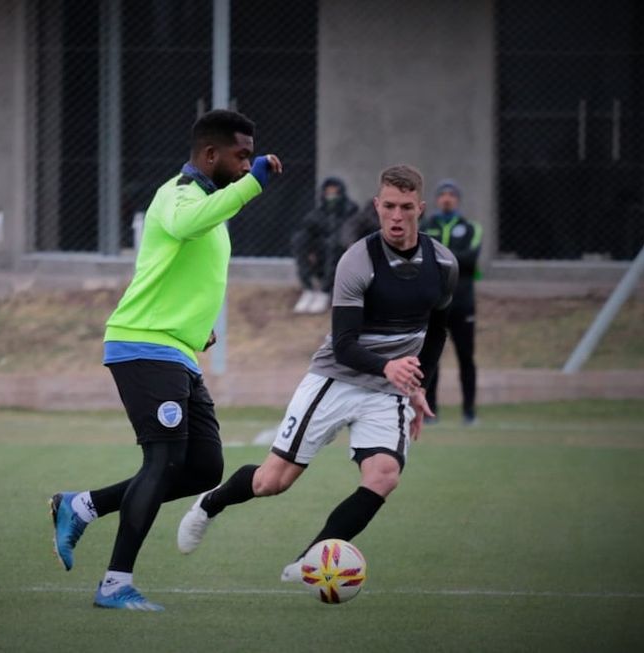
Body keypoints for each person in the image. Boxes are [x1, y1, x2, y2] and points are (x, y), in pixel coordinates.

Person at [48, 109, 282, 611]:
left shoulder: (210, 202)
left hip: (175, 348)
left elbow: (184, 270)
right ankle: (114, 584)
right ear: (210, 155)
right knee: (163, 459)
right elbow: (185, 223)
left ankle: (81, 505)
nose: (247, 165)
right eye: (240, 156)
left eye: (250, 157)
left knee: (202, 467)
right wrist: (252, 185)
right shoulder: (179, 192)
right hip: (142, 343)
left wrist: (199, 327)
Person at [176, 165, 458, 582]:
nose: (396, 217)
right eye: (389, 207)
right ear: (377, 206)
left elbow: (436, 328)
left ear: (421, 208)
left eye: (405, 208)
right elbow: (344, 344)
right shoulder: (357, 261)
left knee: (384, 475)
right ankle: (209, 504)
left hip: (389, 389)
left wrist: (417, 385)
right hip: (337, 379)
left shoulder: (442, 262)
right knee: (272, 482)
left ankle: (310, 562)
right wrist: (389, 367)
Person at [419, 179, 481, 425]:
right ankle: (430, 411)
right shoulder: (426, 225)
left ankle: (469, 411)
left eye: (451, 195)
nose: (447, 198)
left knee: (466, 357)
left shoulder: (471, 227)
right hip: (434, 304)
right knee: (430, 357)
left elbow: (470, 260)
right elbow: (421, 256)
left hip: (463, 303)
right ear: (436, 200)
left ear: (457, 199)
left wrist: (440, 254)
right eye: (442, 195)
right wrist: (450, 256)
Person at [291, 178, 359, 314]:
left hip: (341, 255)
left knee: (333, 243)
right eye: (328, 193)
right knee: (299, 239)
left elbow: (349, 234)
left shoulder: (351, 211)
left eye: (335, 193)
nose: (331, 197)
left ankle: (324, 292)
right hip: (321, 255)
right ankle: (308, 289)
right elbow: (307, 229)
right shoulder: (319, 212)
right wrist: (309, 249)